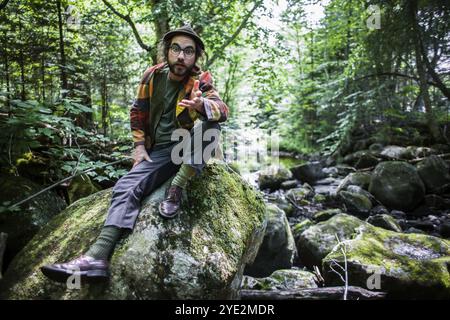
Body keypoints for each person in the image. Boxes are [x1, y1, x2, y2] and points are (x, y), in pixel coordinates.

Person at [40, 24, 229, 283]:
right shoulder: (152, 75)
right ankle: (96, 259)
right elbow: (137, 111)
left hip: (186, 145)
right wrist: (139, 146)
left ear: (196, 57)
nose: (181, 56)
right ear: (167, 51)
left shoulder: (200, 81)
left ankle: (177, 186)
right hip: (159, 151)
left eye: (189, 51)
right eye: (176, 49)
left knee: (211, 126)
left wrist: (203, 104)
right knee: (126, 185)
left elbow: (222, 109)